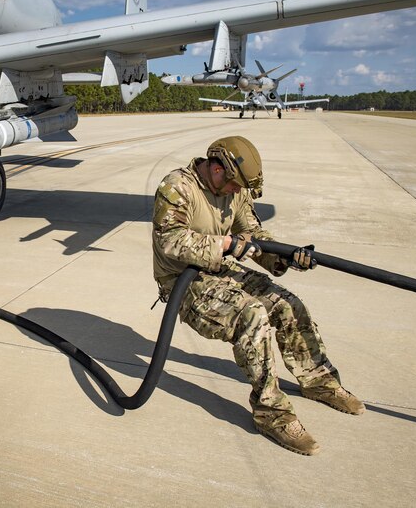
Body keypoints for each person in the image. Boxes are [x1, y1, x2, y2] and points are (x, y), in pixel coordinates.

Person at [151, 136, 363, 455]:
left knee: (289, 306)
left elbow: (254, 234)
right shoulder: (178, 186)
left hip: (220, 269)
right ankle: (272, 415)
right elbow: (170, 240)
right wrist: (224, 245)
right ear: (217, 169)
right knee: (252, 316)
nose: (238, 192)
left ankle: (320, 382)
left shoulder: (237, 191)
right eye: (235, 185)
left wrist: (286, 257)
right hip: (183, 281)